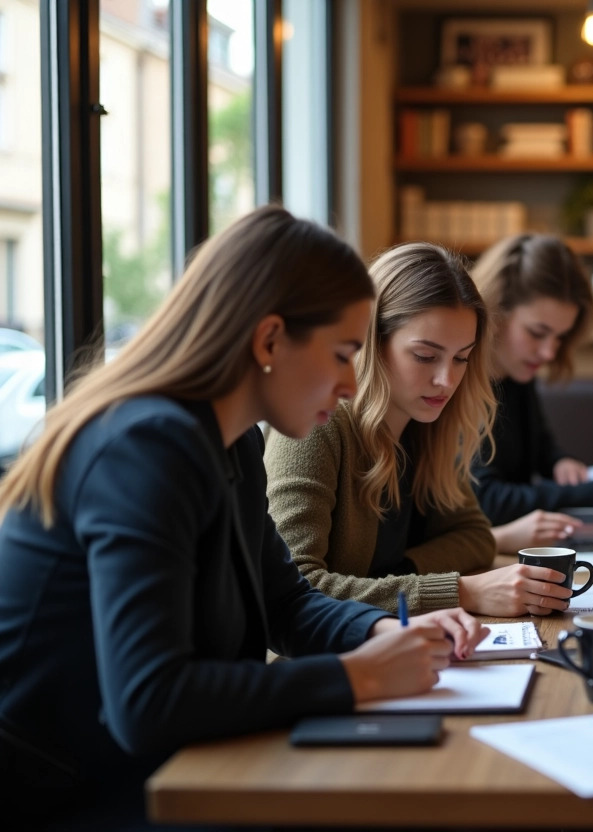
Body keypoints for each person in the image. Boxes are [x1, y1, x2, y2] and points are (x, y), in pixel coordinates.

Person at [0, 206, 487, 827]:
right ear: (269, 341)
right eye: (343, 354)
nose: (350, 383)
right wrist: (354, 679)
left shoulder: (231, 441)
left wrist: (376, 634)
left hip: (163, 766)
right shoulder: (146, 447)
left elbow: (284, 601)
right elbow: (149, 701)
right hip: (71, 792)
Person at [266, 242, 574, 618]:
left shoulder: (429, 425)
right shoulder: (317, 425)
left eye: (461, 358)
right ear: (372, 341)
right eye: (425, 356)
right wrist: (457, 591)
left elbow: (474, 538)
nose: (446, 380)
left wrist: (393, 577)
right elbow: (296, 588)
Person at [469, 233, 593, 553]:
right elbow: (485, 499)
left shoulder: (515, 374)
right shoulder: (458, 384)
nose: (549, 353)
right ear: (494, 312)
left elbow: (542, 447)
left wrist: (559, 461)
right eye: (537, 333)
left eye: (560, 337)